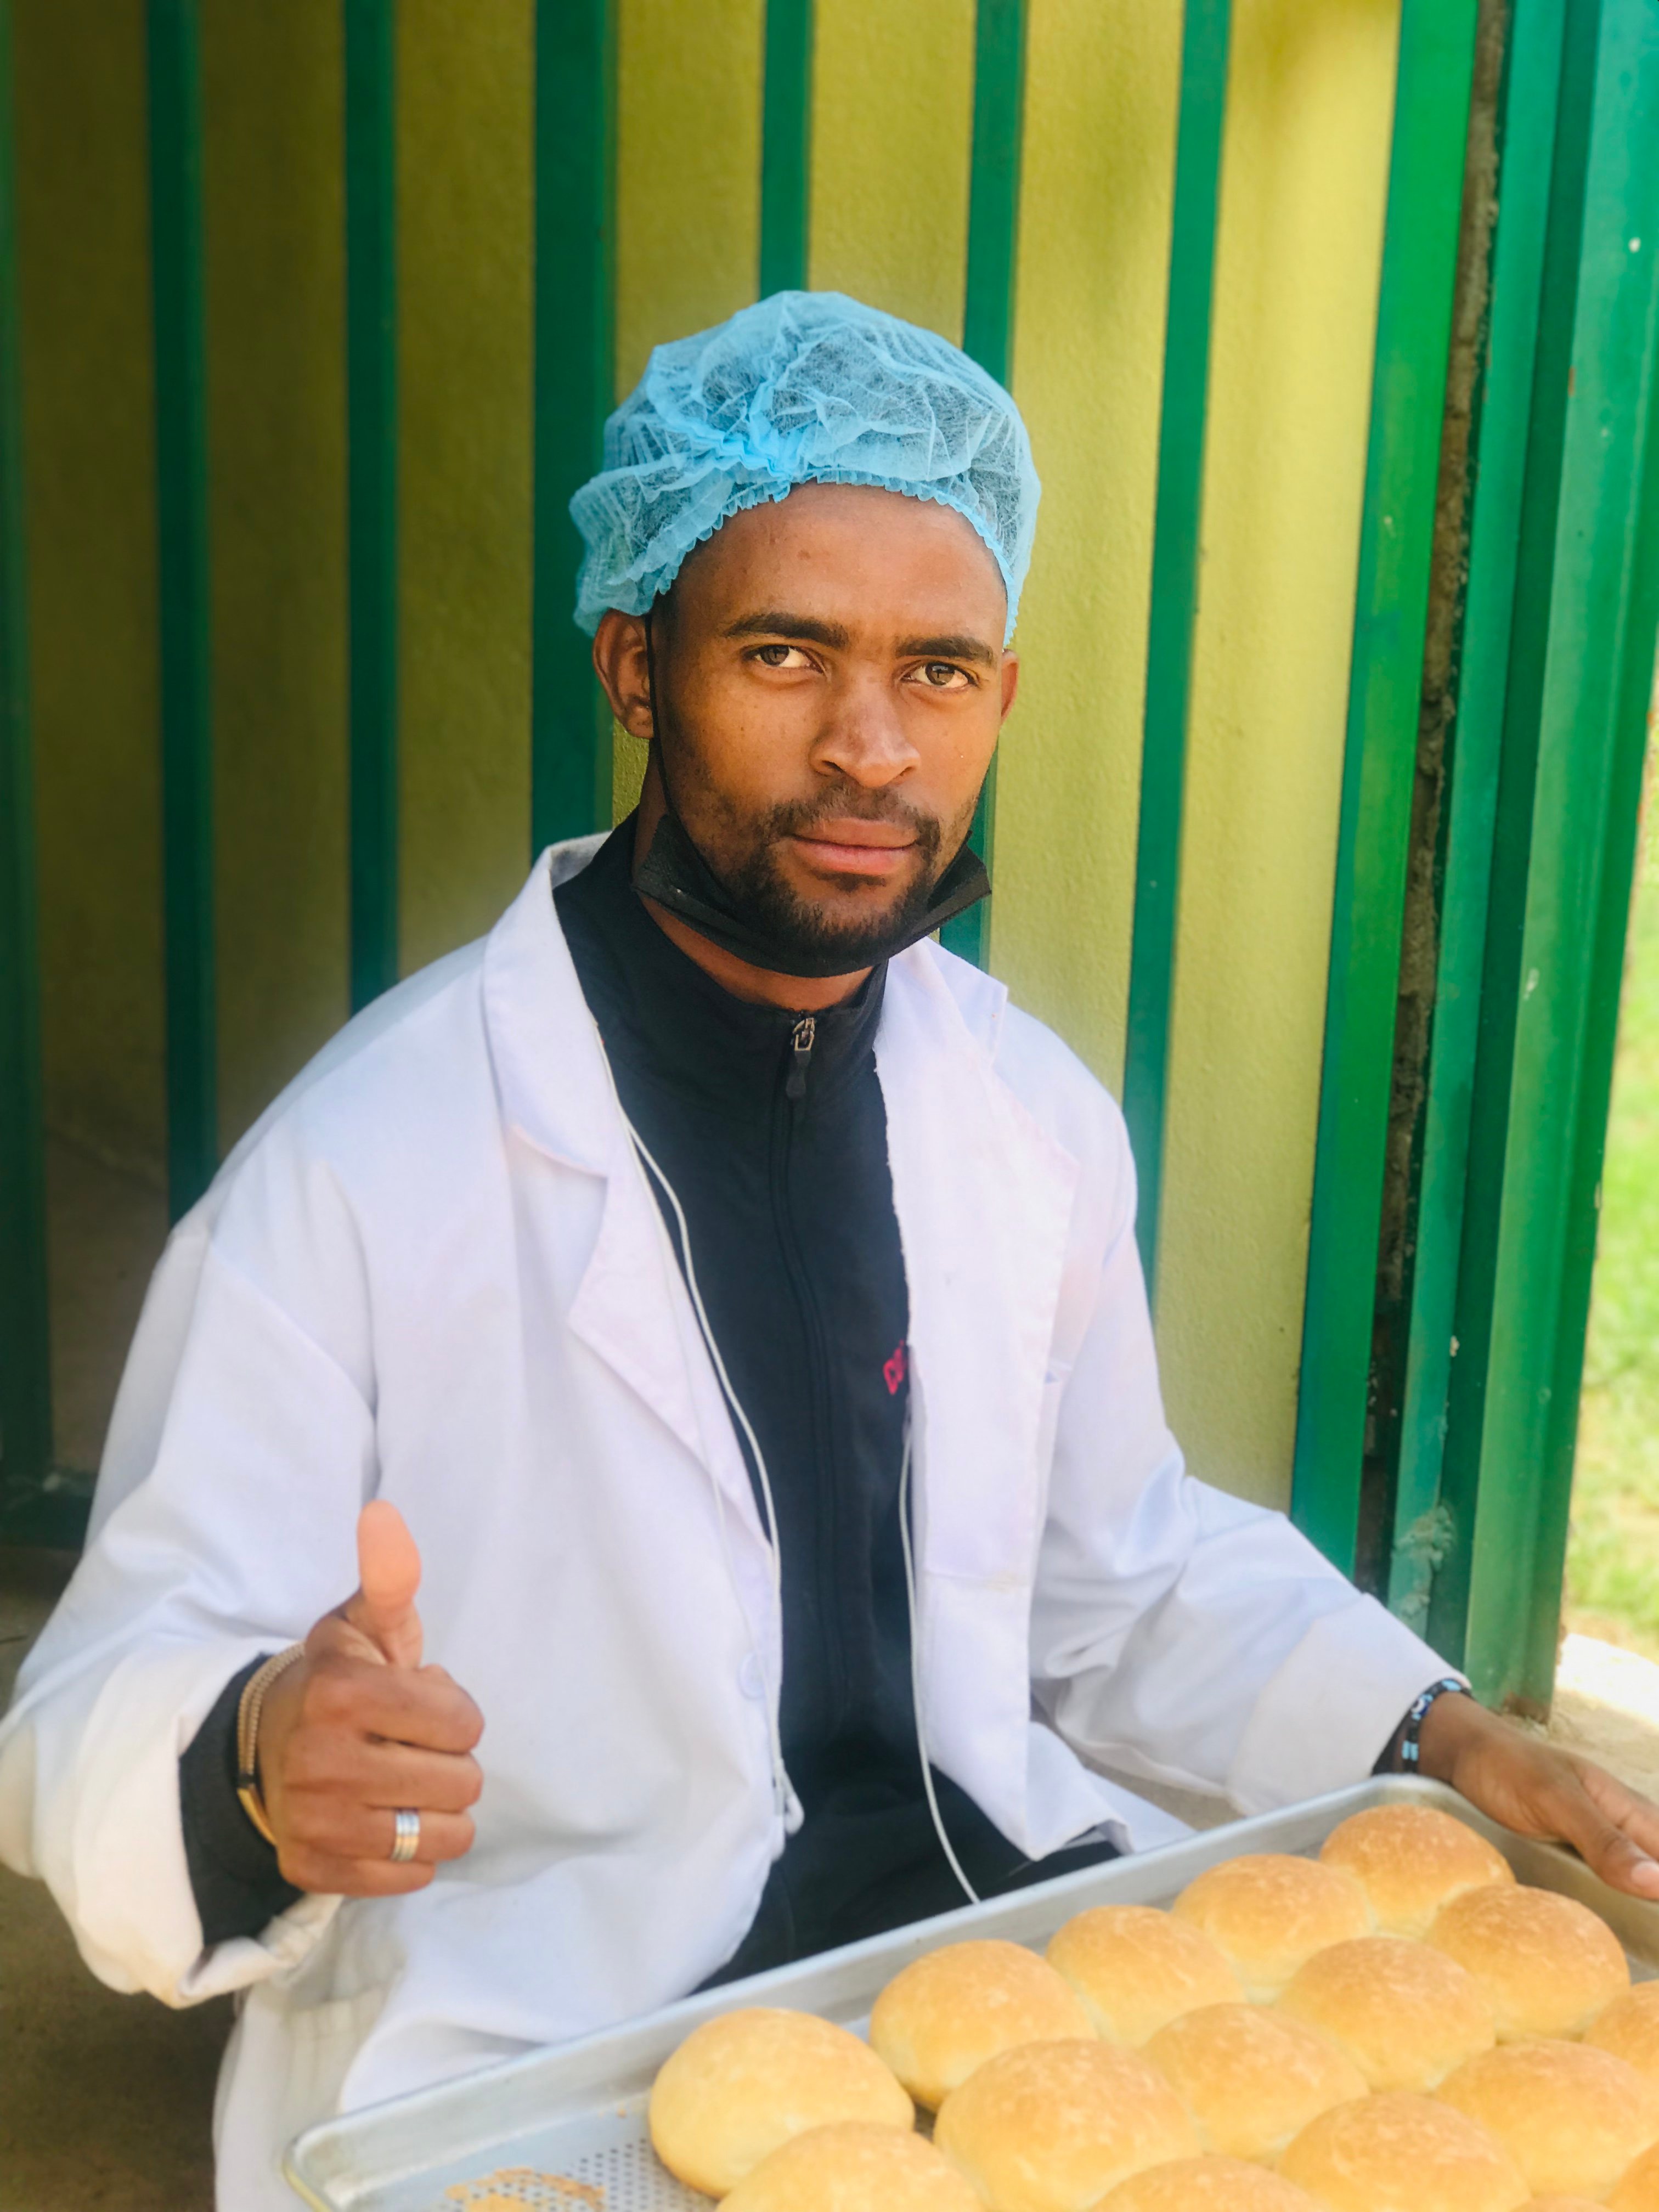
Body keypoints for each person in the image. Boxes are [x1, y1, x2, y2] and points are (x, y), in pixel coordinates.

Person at [1, 291, 1654, 2209]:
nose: (872, 751)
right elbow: (95, 1695)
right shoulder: (367, 1165)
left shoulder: (1026, 1119)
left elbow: (1115, 1577)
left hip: (997, 1969)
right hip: (571, 2043)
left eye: (936, 672)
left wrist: (1438, 1728)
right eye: (786, 654)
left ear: (1002, 697)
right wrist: (253, 1758)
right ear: (637, 666)